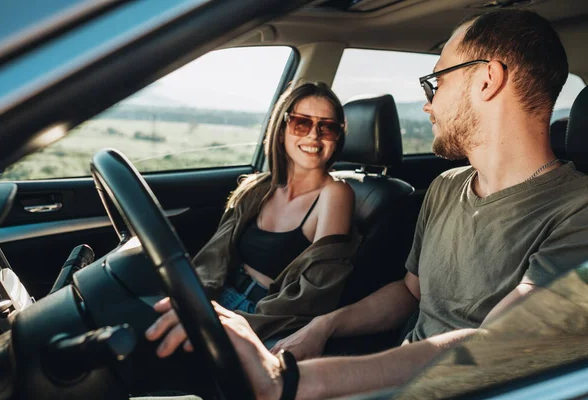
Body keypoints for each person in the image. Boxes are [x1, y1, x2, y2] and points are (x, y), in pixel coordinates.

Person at [146, 9, 588, 399]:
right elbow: (409, 292)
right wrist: (323, 327)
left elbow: (496, 343)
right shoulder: (445, 187)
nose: (428, 105)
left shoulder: (577, 210)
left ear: (487, 80)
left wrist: (290, 382)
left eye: (437, 81)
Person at [151, 81, 360, 351]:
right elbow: (214, 258)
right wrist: (192, 296)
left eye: (327, 127)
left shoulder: (335, 194)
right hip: (217, 295)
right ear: (282, 128)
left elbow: (313, 296)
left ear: (338, 137)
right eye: (301, 123)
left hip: (263, 317)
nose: (313, 136)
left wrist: (232, 322)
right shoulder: (259, 188)